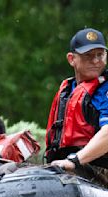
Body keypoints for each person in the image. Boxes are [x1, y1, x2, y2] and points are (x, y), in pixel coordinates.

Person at [45, 27, 108, 187]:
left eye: (100, 55)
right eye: (88, 56)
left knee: (63, 177)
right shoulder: (67, 89)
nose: (95, 61)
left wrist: (75, 160)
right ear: (71, 59)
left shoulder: (105, 90)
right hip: (64, 164)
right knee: (9, 169)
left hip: (99, 168)